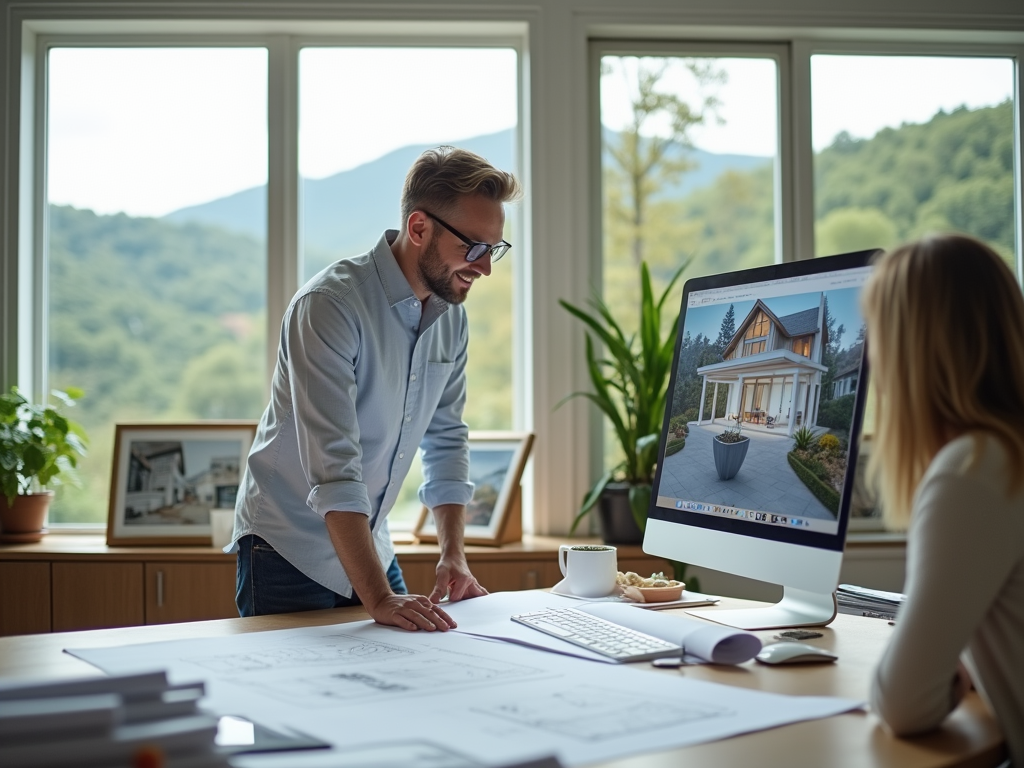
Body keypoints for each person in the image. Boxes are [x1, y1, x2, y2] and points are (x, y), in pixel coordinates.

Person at [230, 146, 522, 632]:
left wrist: (455, 556)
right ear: (419, 228)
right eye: (473, 247)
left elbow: (447, 441)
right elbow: (334, 468)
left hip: (369, 538)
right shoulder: (329, 307)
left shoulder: (452, 319)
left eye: (493, 249)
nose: (485, 267)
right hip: (286, 549)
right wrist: (382, 599)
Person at [862, 234, 1024, 766]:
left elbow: (903, 703)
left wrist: (947, 676)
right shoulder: (1006, 453)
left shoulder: (972, 472)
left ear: (910, 357)